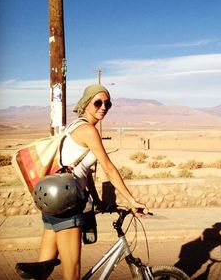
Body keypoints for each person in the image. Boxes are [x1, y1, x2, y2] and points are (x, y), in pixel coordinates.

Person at [38, 84, 148, 280]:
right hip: (68, 205)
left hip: (55, 200)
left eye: (108, 103)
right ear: (86, 103)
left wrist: (96, 199)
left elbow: (82, 170)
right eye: (98, 102)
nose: (103, 107)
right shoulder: (88, 130)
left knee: (43, 269)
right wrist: (131, 200)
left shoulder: (74, 125)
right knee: (72, 272)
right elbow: (109, 168)